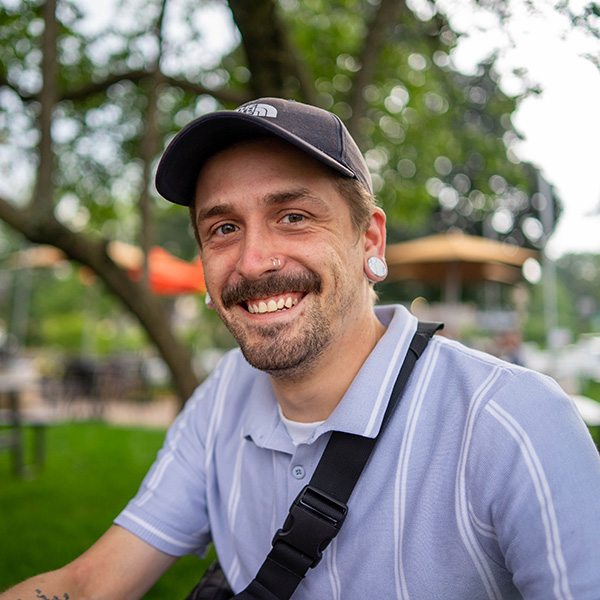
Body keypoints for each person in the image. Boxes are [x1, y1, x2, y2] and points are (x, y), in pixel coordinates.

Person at [2, 98, 600, 600]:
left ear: (370, 238)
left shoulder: (512, 423)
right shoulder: (222, 401)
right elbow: (88, 583)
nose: (253, 260)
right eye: (223, 228)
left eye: (292, 216)